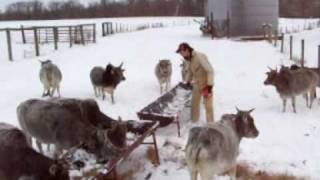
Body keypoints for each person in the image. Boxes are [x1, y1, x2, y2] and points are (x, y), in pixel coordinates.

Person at [176, 42, 215, 123]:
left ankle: (210, 124)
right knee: (194, 104)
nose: (181, 55)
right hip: (197, 83)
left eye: (181, 52)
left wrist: (209, 86)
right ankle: (194, 121)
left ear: (186, 50)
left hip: (205, 84)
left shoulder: (199, 57)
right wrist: (187, 81)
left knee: (208, 106)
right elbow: (190, 71)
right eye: (180, 53)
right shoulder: (187, 59)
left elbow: (210, 71)